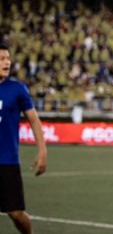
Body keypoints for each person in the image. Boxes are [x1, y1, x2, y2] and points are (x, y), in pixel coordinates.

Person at [0, 43, 47, 234]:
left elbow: (34, 121)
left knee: (16, 213)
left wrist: (42, 150)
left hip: (7, 161)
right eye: (2, 58)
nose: (7, 62)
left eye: (8, 58)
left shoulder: (17, 89)